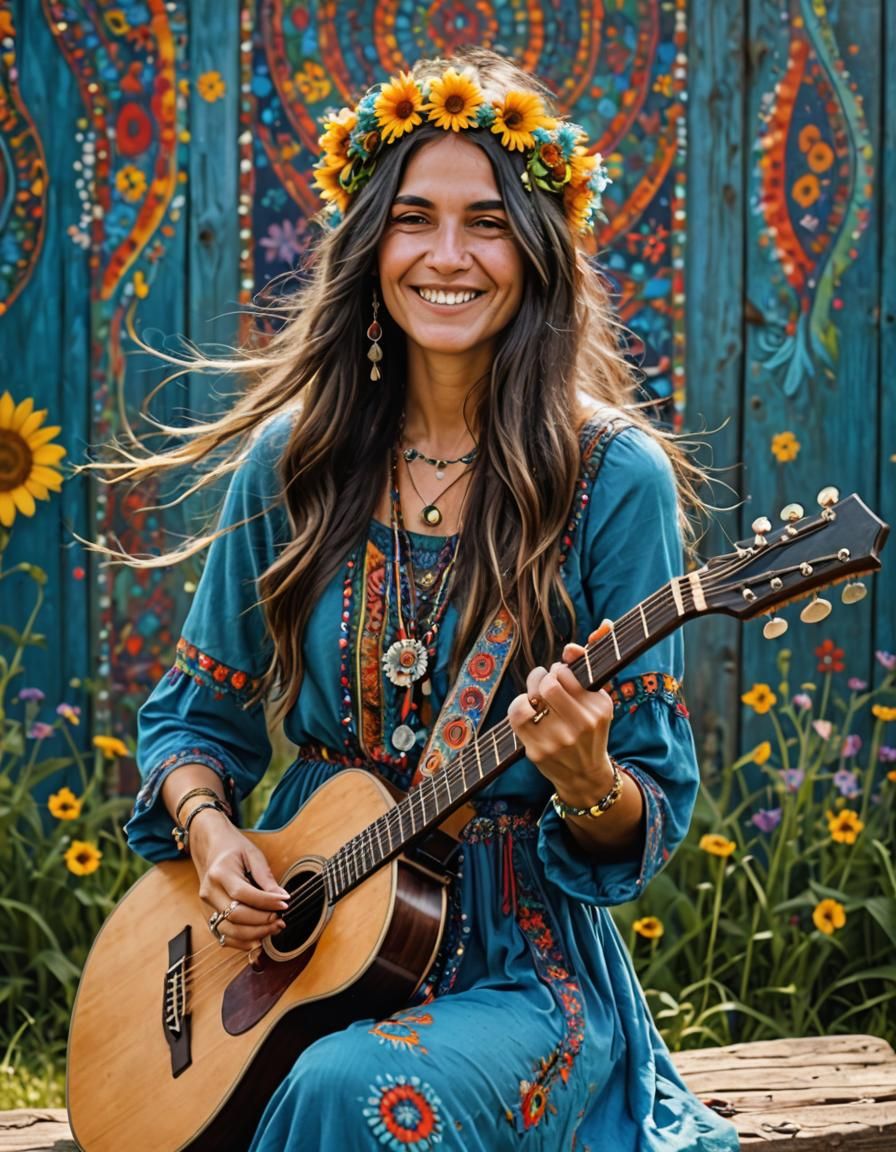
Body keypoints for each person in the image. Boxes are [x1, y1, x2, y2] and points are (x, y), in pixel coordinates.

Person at [121, 47, 739, 1151]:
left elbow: (644, 808)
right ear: (371, 245)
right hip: (299, 954)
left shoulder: (612, 480)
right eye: (414, 219)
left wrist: (588, 782)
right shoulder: (295, 462)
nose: (446, 256)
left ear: (536, 251)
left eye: (486, 223)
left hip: (519, 974)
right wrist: (212, 835)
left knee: (353, 1092)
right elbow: (193, 719)